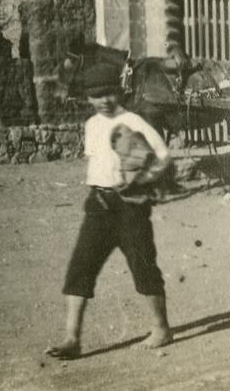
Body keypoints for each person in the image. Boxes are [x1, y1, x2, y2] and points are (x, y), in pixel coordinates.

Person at [45, 62, 173, 360]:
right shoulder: (91, 125)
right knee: (81, 267)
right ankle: (72, 339)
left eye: (109, 93)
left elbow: (164, 157)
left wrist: (141, 180)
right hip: (99, 205)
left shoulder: (135, 121)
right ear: (88, 97)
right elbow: (99, 162)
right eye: (96, 95)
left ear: (120, 91)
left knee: (143, 265)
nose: (104, 100)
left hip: (130, 208)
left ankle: (162, 328)